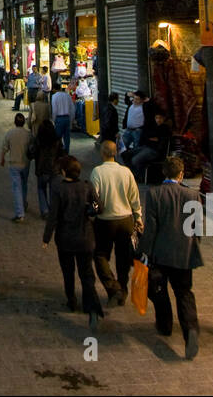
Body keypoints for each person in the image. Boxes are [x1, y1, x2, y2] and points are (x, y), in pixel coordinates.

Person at [137, 156, 203, 357]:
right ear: (181, 174)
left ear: (164, 173)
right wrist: (194, 245)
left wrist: (143, 251)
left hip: (161, 252)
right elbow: (197, 227)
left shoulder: (154, 194)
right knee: (184, 292)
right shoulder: (193, 196)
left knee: (159, 290)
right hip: (184, 253)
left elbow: (151, 228)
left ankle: (165, 324)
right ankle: (190, 329)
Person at [42, 155, 104, 330]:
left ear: (63, 172)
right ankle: (91, 308)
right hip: (85, 238)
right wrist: (90, 210)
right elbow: (100, 207)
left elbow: (53, 216)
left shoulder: (59, 189)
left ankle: (72, 300)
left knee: (68, 271)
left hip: (65, 239)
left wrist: (46, 238)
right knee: (87, 274)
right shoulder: (87, 186)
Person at [89, 140, 142, 308]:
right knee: (123, 257)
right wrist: (138, 217)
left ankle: (113, 288)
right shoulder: (126, 172)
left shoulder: (97, 172)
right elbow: (134, 197)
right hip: (125, 220)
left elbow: (94, 198)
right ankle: (123, 289)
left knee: (100, 255)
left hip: (105, 221)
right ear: (116, 152)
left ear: (102, 153)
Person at [1, 112, 33, 222]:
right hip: (25, 163)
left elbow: (5, 148)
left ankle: (20, 213)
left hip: (14, 164)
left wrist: (2, 159)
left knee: (16, 187)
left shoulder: (10, 133)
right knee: (23, 184)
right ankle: (23, 203)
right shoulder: (28, 134)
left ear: (15, 122)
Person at [30, 116, 63, 219]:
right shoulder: (57, 141)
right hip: (54, 170)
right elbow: (61, 154)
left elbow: (31, 153)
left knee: (41, 189)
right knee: (53, 191)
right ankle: (53, 211)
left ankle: (45, 211)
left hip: (41, 169)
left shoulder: (38, 140)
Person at [50, 82, 74, 156]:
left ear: (54, 89)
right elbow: (72, 109)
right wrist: (71, 120)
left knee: (57, 137)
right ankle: (66, 153)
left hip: (59, 119)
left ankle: (58, 153)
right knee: (67, 138)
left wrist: (53, 121)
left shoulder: (54, 96)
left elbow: (54, 110)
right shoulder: (67, 96)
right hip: (67, 118)